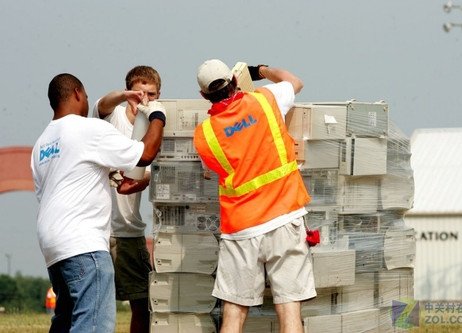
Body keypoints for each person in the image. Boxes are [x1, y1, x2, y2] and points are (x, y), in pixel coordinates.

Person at [31, 73, 166, 332]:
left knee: (66, 320)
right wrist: (158, 116)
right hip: (84, 244)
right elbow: (145, 154)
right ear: (78, 94)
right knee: (94, 324)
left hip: (53, 246)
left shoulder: (42, 143)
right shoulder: (88, 129)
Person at [193, 59, 317, 333]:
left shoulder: (204, 135)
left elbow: (214, 169)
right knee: (289, 307)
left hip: (240, 229)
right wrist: (260, 71)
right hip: (285, 217)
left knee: (234, 313)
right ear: (235, 82)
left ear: (204, 96)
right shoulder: (265, 100)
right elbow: (295, 81)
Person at [93, 65, 161, 333]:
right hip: (99, 229)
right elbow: (102, 104)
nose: (143, 99)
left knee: (144, 303)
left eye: (151, 94)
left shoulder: (157, 125)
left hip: (130, 231)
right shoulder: (113, 117)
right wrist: (124, 96)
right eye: (138, 92)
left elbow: (158, 175)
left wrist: (140, 183)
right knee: (93, 304)